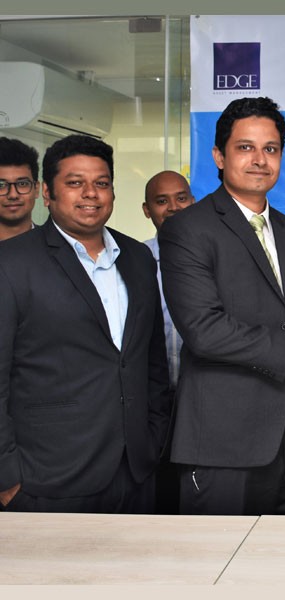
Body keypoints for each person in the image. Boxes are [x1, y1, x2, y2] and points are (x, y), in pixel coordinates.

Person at [158, 97, 285, 516]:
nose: (259, 160)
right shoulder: (187, 230)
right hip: (223, 444)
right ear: (219, 156)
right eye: (245, 147)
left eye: (270, 148)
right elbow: (204, 330)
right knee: (218, 556)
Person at [0, 134, 170, 513]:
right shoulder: (11, 264)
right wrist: (7, 478)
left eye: (101, 183)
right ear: (47, 193)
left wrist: (154, 436)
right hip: (47, 478)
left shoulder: (137, 257)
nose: (91, 193)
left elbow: (152, 363)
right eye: (75, 183)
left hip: (136, 472)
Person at [142, 170, 195, 514]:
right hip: (152, 402)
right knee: (158, 496)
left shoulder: (214, 256)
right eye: (162, 201)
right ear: (147, 210)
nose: (173, 207)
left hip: (200, 399)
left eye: (181, 198)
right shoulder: (135, 259)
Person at [0, 137, 40, 241]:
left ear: (36, 189)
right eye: (1, 185)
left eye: (22, 184)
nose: (13, 195)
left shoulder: (63, 247)